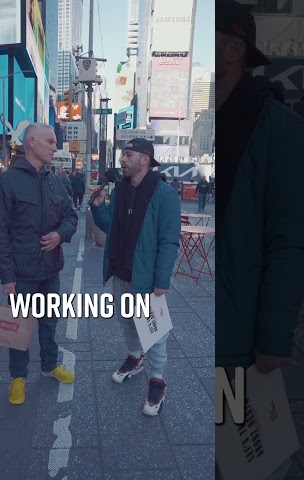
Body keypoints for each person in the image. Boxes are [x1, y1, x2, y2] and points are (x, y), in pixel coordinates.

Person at [215, 2, 304, 478]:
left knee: (239, 457)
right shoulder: (207, 124)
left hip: (239, 338)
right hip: (203, 327)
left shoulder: (282, 131)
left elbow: (292, 241)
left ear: (235, 49)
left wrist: (274, 337)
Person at [0, 123, 78, 405]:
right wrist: (6, 276)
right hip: (21, 273)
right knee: (18, 328)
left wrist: (58, 235)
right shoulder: (8, 181)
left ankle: (50, 365)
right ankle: (18, 377)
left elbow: (71, 217)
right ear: (32, 143)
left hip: (51, 270)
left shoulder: (54, 180)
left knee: (49, 322)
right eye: (50, 142)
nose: (55, 147)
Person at [90, 138, 181, 416]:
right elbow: (111, 227)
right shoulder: (119, 191)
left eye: (128, 154)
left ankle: (158, 379)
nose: (122, 159)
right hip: (121, 271)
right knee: (126, 320)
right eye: (122, 154)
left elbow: (169, 241)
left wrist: (161, 280)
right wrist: (98, 206)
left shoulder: (164, 194)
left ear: (145, 159)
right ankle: (134, 357)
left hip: (147, 278)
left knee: (153, 330)